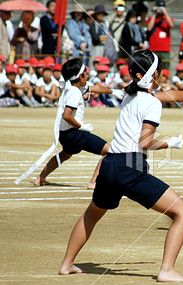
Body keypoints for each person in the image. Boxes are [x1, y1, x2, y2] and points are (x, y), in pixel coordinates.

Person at [58, 49, 183, 283]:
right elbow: (145, 142)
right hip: (130, 166)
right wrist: (169, 143)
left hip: (109, 164)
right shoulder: (151, 103)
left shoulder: (128, 94)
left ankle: (66, 264)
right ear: (154, 75)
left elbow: (166, 96)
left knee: (92, 213)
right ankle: (167, 270)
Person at [33, 58, 123, 188]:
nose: (88, 75)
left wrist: (113, 92)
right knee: (111, 151)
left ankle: (40, 178)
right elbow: (67, 115)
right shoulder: (75, 92)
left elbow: (95, 88)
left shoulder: (72, 87)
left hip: (65, 134)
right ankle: (94, 182)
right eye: (86, 73)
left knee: (65, 154)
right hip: (75, 134)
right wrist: (81, 126)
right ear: (80, 76)